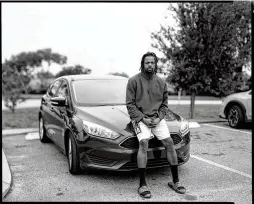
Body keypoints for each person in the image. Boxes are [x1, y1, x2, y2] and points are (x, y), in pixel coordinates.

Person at [126, 52, 186, 198]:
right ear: (142, 64)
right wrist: (142, 119)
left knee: (170, 143)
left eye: (152, 62)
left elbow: (164, 105)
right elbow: (130, 104)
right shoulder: (133, 81)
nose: (150, 65)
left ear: (155, 64)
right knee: (144, 143)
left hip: (157, 119)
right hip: (141, 119)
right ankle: (142, 184)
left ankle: (175, 181)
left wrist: (159, 118)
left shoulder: (161, 82)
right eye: (147, 62)